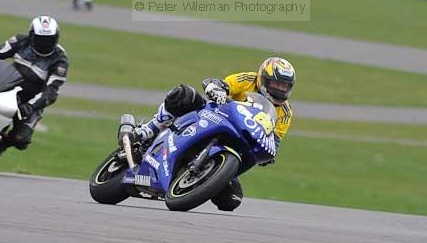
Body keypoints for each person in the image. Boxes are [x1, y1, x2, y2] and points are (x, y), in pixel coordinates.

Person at [118, 56, 296, 211]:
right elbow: (220, 83)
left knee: (231, 200)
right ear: (263, 78)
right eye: (275, 83)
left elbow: (275, 139)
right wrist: (216, 89)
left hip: (240, 139)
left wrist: (269, 155)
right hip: (215, 115)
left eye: (284, 86)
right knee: (183, 95)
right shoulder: (248, 79)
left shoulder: (285, 113)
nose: (279, 89)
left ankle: (203, 177)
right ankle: (148, 130)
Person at [0, 16, 69, 158]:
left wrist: (31, 106)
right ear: (31, 35)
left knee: (21, 139)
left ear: (56, 38)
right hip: (6, 83)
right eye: (40, 39)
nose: (44, 44)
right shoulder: (21, 40)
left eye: (48, 40)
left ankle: (2, 143)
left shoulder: (60, 59)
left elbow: (51, 91)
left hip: (31, 100)